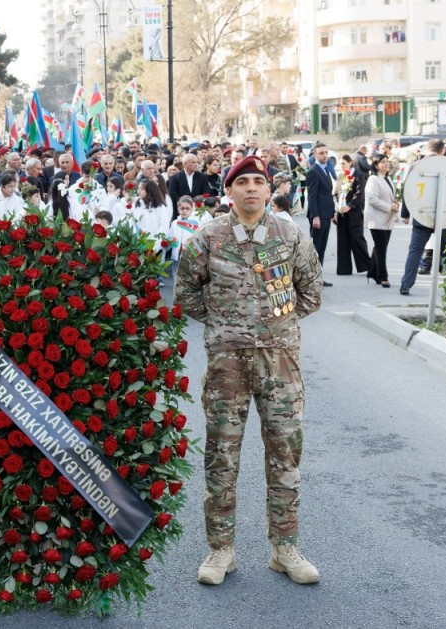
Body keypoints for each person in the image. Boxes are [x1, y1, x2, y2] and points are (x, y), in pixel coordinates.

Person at [175, 155, 325, 587]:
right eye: (243, 182)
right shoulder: (207, 238)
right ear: (230, 190)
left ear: (268, 188)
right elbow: (187, 295)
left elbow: (310, 293)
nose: (252, 189)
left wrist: (273, 326)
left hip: (281, 364)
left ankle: (285, 548)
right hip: (227, 365)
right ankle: (220, 550)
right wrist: (229, 325)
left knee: (285, 455)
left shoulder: (290, 234)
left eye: (259, 181)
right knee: (222, 455)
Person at [398, 140, 446, 296]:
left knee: (415, 251)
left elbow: (407, 189)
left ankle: (406, 285)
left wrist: (405, 213)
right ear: (442, 150)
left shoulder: (416, 164)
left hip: (421, 214)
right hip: (444, 215)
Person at [363, 154, 399, 288]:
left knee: (380, 247)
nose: (386, 164)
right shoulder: (373, 179)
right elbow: (372, 199)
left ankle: (372, 272)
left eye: (387, 162)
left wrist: (395, 203)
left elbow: (389, 196)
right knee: (381, 248)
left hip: (388, 218)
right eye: (382, 162)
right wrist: (390, 207)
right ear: (376, 165)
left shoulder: (388, 178)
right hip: (377, 219)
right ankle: (383, 276)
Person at [303, 143, 336, 287]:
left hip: (326, 214)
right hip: (318, 216)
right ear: (315, 155)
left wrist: (332, 212)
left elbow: (327, 194)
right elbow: (312, 196)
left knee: (322, 248)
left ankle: (318, 277)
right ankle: (311, 279)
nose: (325, 155)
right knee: (315, 249)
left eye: (326, 152)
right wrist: (315, 216)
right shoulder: (313, 171)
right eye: (321, 153)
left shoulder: (325, 169)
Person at [334, 154, 370, 278]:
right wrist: (336, 209)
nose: (341, 166)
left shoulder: (358, 175)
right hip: (341, 213)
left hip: (353, 212)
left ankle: (367, 265)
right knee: (342, 240)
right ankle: (344, 268)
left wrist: (349, 206)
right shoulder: (341, 176)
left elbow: (359, 194)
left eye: (343, 163)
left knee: (357, 238)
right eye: (339, 164)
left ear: (351, 163)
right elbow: (335, 193)